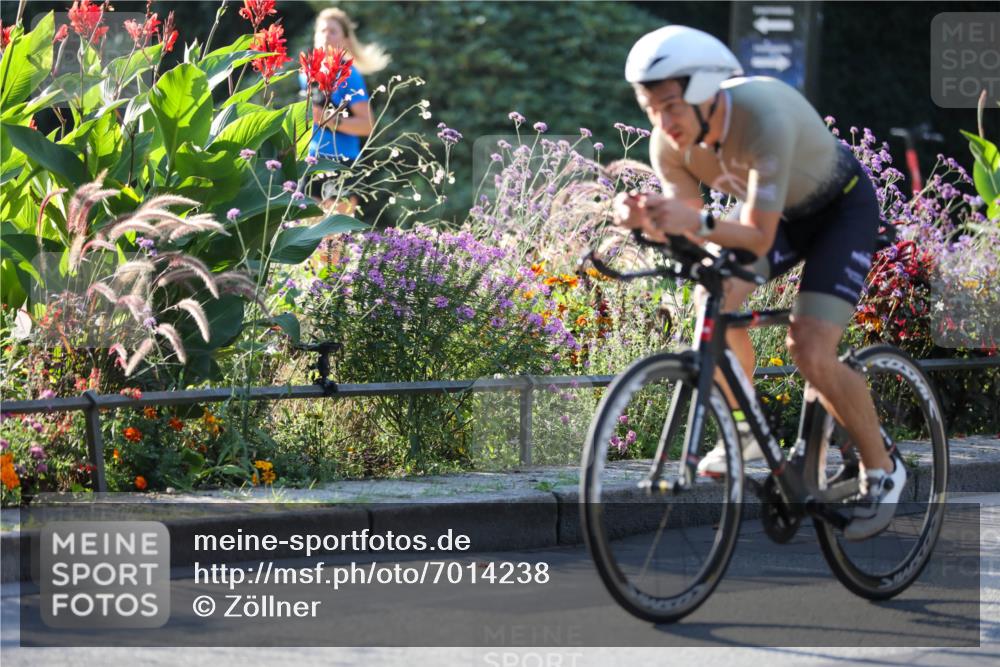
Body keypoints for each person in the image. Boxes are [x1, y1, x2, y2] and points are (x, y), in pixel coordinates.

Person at [614, 25, 905, 541]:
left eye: (671, 106)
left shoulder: (764, 116)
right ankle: (744, 430)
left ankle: (882, 468)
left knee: (809, 348)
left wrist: (687, 220)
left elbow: (755, 234)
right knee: (712, 296)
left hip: (839, 212)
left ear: (705, 91)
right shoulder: (669, 144)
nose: (662, 121)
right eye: (650, 108)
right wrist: (647, 219)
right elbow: (695, 228)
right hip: (779, 219)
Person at [301, 7, 390, 214]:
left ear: (346, 40)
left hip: (341, 163)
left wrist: (328, 119)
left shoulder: (349, 76)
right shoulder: (306, 74)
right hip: (311, 161)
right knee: (305, 231)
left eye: (333, 31)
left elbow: (367, 126)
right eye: (322, 30)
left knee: (336, 233)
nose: (326, 36)